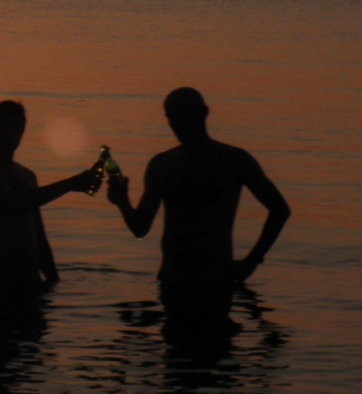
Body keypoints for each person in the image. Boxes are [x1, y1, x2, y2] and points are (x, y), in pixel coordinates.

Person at [106, 87, 292, 337]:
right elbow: (140, 228)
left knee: (214, 360)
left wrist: (252, 261)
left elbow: (279, 210)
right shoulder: (162, 165)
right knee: (176, 363)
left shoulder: (234, 160)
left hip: (216, 283)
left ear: (203, 113)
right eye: (171, 116)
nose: (177, 122)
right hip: (171, 281)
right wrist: (122, 202)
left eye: (183, 114)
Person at [0, 100, 103, 299]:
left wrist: (53, 281)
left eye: (14, 128)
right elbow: (15, 202)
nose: (8, 134)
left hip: (30, 282)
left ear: (22, 131)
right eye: (2, 127)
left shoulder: (27, 176)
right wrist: (70, 184)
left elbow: (38, 236)